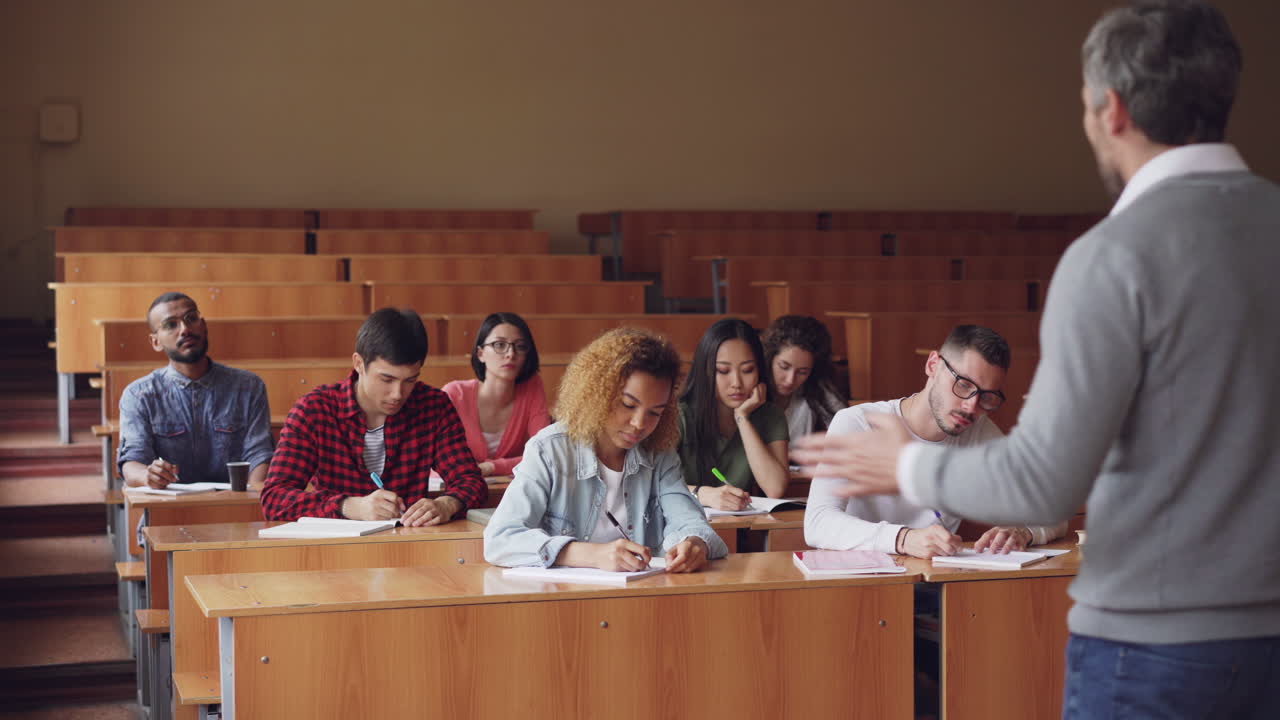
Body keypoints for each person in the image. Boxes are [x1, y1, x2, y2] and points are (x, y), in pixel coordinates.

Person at [794, 2, 1280, 716]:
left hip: (1152, 649)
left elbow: (1044, 487)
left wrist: (905, 464)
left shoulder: (1114, 257)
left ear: (1110, 109)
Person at [804, 325, 1066, 558]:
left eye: (987, 397)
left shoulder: (980, 434)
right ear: (933, 365)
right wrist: (903, 539)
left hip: (934, 583)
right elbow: (817, 523)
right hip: (860, 579)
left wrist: (1024, 531)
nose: (971, 406)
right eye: (963, 385)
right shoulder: (857, 422)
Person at [484, 328, 728, 572]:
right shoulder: (549, 450)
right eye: (628, 405)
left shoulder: (660, 455)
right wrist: (587, 554)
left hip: (642, 600)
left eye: (655, 412)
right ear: (597, 394)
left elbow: (688, 519)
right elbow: (500, 539)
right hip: (563, 604)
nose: (639, 423)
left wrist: (694, 543)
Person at [261, 308, 487, 526]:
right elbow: (274, 498)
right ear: (359, 363)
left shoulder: (433, 406)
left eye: (410, 380)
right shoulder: (315, 410)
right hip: (335, 550)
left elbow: (471, 481)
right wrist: (350, 507)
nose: (398, 394)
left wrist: (447, 504)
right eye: (387, 380)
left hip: (409, 542)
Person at [118, 292, 273, 491]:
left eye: (191, 318)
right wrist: (148, 475)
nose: (185, 330)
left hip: (235, 509)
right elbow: (131, 463)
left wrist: (245, 503)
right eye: (170, 325)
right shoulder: (138, 395)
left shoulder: (249, 387)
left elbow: (260, 455)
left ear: (204, 325)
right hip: (167, 512)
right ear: (156, 341)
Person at [678, 318, 789, 511]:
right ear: (705, 371)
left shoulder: (770, 416)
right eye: (723, 371)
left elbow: (775, 488)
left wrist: (742, 418)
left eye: (747, 370)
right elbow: (653, 486)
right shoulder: (679, 415)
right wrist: (704, 494)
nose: (736, 382)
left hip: (739, 529)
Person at [442, 312, 551, 477]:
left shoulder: (532, 387)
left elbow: (545, 454)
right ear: (480, 354)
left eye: (520, 346)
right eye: (499, 345)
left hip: (507, 492)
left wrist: (492, 468)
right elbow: (440, 461)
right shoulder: (455, 395)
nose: (511, 354)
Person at [761, 315, 846, 443]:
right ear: (769, 359)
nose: (790, 380)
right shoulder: (751, 388)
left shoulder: (817, 392)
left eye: (802, 372)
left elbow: (848, 430)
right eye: (784, 367)